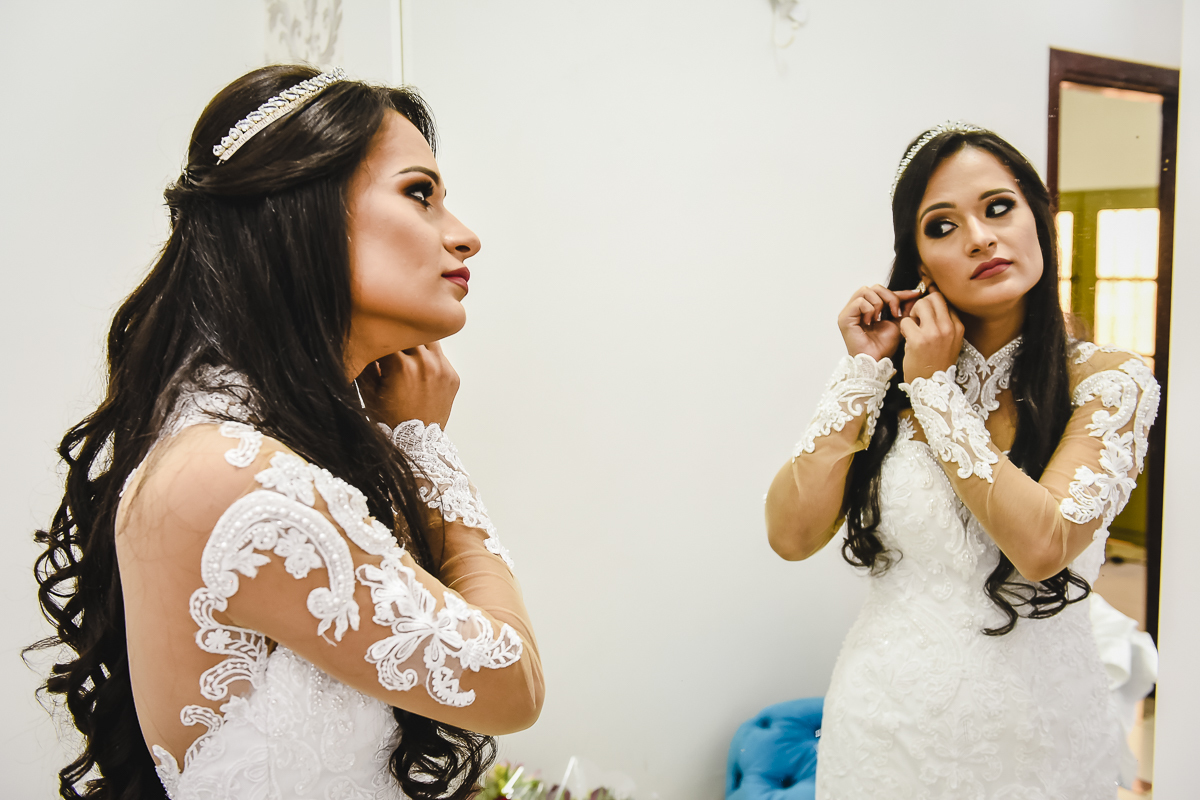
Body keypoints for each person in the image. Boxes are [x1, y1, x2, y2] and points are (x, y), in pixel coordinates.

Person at [29, 65, 544, 800]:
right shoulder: (231, 475)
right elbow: (512, 682)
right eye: (419, 193)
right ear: (301, 209)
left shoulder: (258, 445)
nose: (465, 237)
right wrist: (428, 449)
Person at [764, 122, 1159, 798]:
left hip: (1039, 740)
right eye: (942, 226)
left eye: (998, 208)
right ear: (919, 263)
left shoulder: (1109, 383)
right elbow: (790, 536)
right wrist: (864, 372)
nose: (979, 236)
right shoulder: (887, 381)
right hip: (884, 727)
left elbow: (1043, 545)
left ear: (1039, 217)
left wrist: (935, 390)